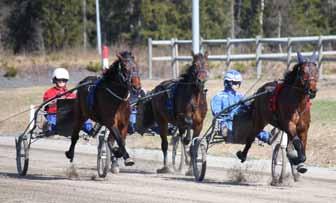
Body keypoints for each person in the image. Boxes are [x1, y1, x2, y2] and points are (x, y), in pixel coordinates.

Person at [210, 69, 274, 144]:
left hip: (239, 121)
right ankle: (226, 130)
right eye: (235, 83)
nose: (237, 85)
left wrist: (251, 102)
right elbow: (216, 112)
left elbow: (247, 106)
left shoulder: (239, 96)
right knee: (236, 125)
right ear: (228, 83)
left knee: (251, 124)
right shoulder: (218, 96)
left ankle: (269, 137)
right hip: (226, 121)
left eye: (238, 83)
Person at [43, 68, 94, 136]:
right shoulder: (49, 92)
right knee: (52, 121)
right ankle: (48, 128)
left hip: (68, 115)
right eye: (59, 80)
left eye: (64, 80)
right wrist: (57, 101)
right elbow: (47, 105)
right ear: (55, 80)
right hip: (54, 114)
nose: (62, 82)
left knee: (83, 118)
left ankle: (91, 131)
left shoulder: (70, 93)